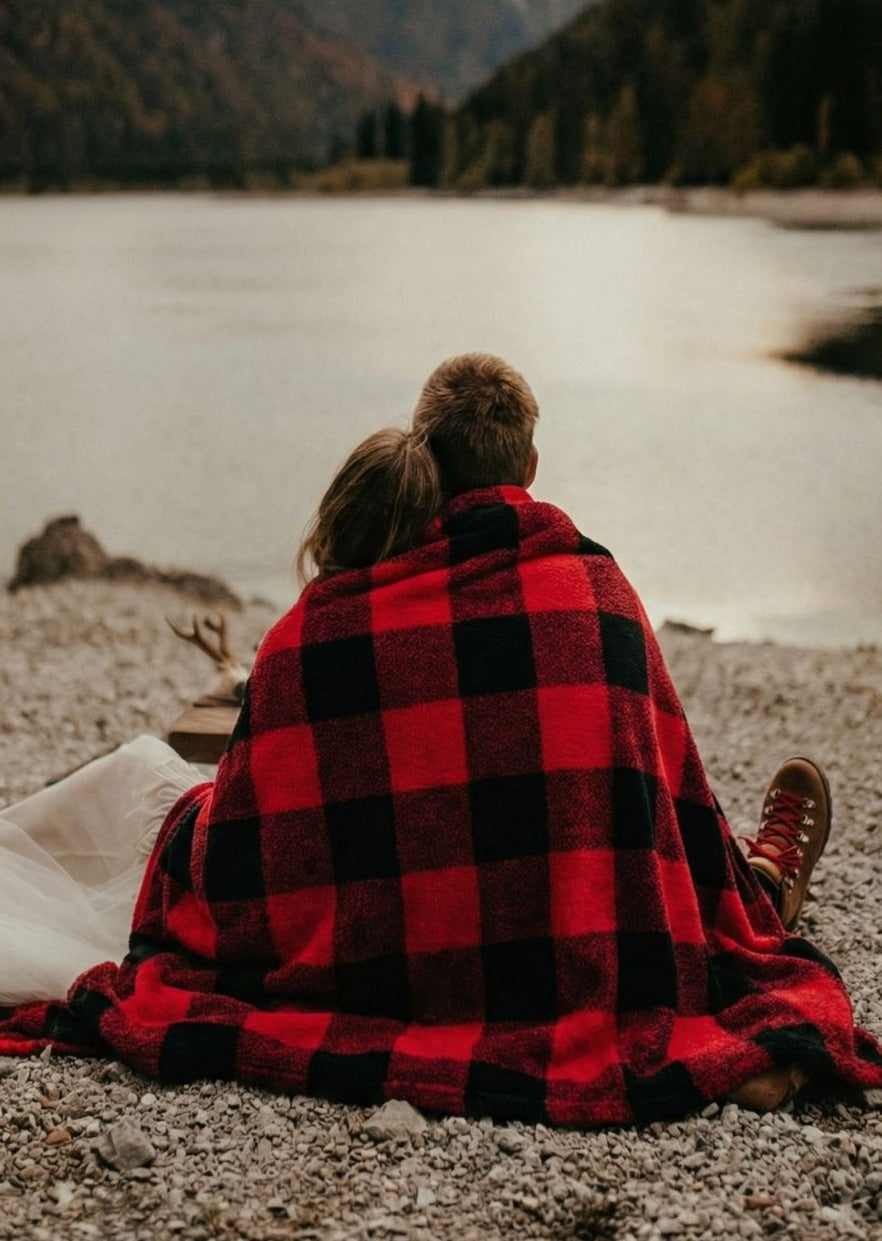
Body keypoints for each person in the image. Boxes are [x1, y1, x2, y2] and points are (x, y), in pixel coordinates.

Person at [1, 357, 880, 1128]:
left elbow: (248, 843)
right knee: (693, 862)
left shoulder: (317, 627)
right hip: (572, 943)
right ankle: (762, 882)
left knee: (142, 783)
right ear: (531, 466)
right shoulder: (599, 593)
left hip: (375, 959)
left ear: (424, 451)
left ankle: (762, 881)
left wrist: (199, 837)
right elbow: (664, 799)